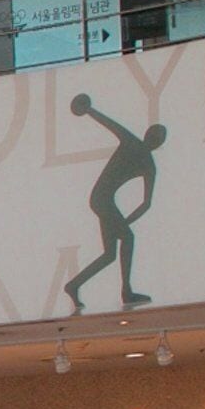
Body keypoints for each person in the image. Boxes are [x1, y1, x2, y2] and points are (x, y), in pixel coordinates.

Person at [61, 94, 165, 313]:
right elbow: (108, 123)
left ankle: (74, 285)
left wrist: (124, 222)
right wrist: (88, 110)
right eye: (156, 136)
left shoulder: (147, 162)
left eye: (157, 138)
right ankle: (126, 291)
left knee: (109, 254)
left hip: (102, 199)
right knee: (127, 238)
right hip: (102, 199)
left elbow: (146, 203)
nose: (155, 141)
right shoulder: (139, 152)